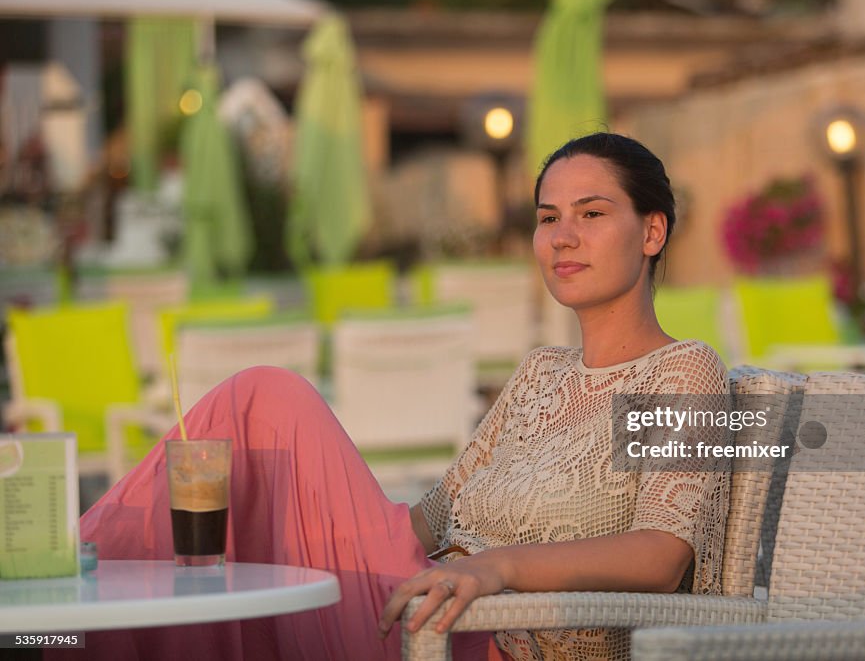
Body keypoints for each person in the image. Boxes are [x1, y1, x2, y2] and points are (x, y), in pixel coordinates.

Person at [58, 132, 730, 661]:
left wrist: (500, 568)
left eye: (592, 213)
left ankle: (62, 587)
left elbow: (662, 553)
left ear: (652, 231)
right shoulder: (538, 373)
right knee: (255, 430)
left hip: (487, 635)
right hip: (421, 595)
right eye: (548, 216)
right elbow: (429, 520)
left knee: (270, 396)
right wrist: (306, 524)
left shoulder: (683, 371)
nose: (561, 236)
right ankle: (65, 575)